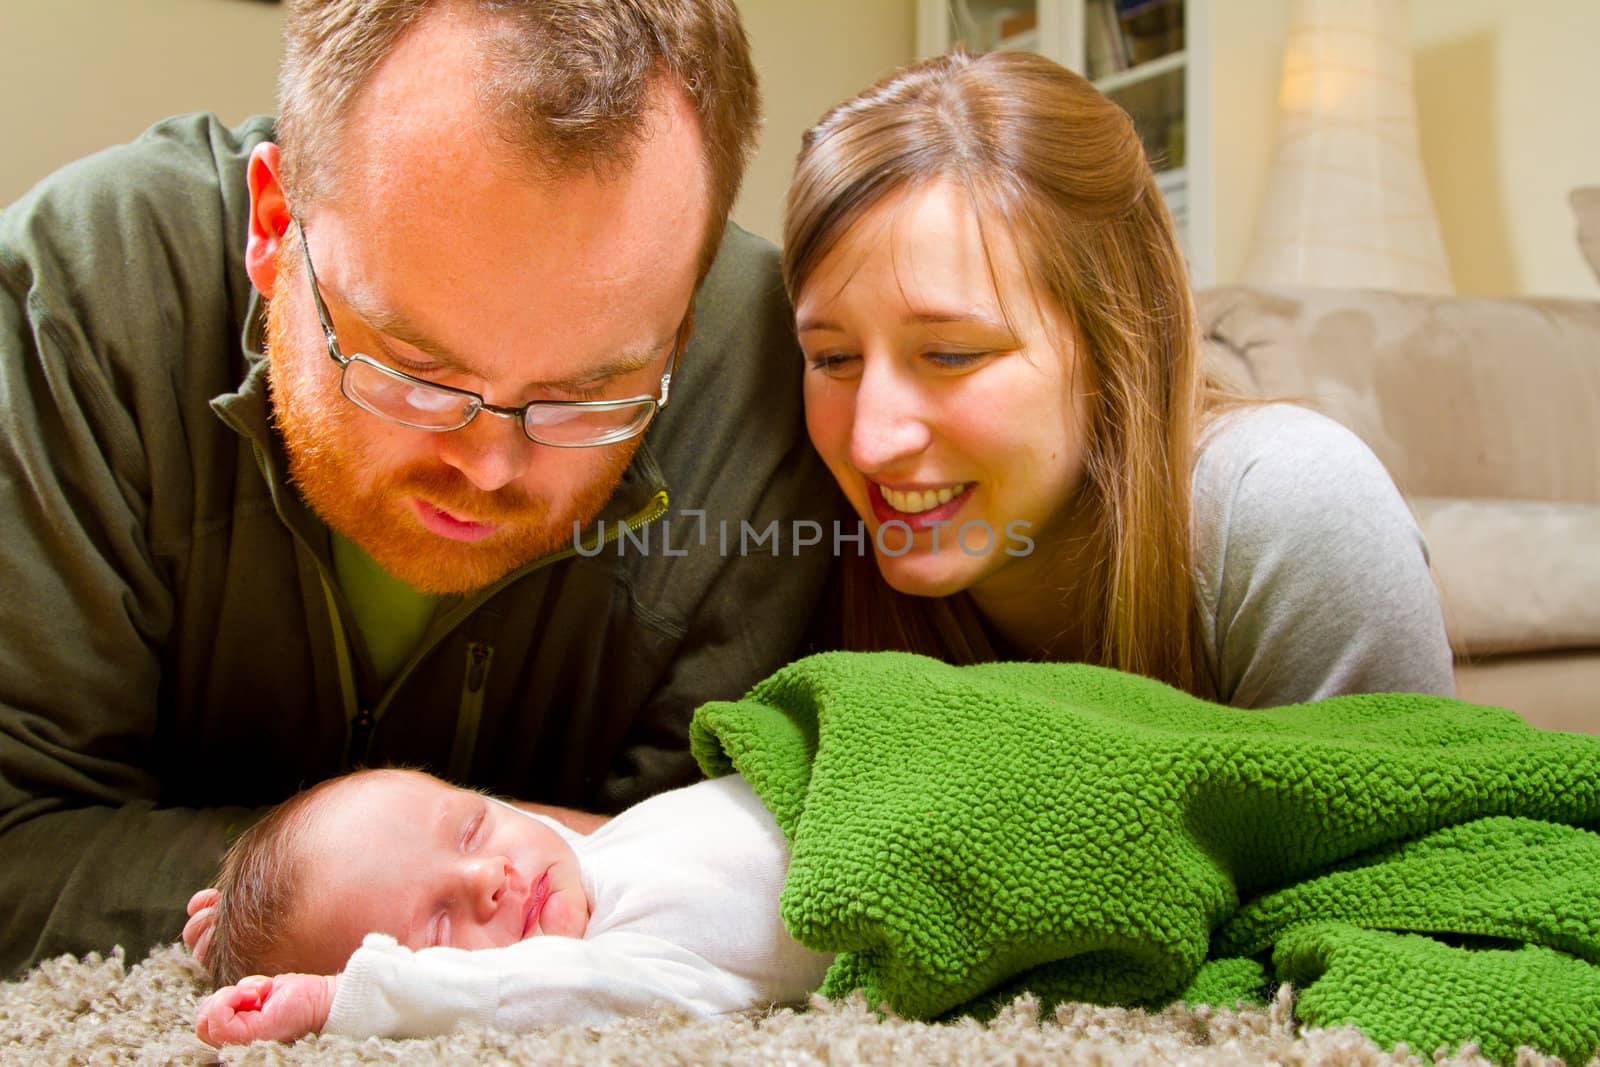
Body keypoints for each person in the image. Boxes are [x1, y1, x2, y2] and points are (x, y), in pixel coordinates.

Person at [0, 0, 845, 976]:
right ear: (275, 228)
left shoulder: (777, 381)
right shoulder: (79, 305)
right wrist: (322, 908)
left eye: (590, 394)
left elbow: (705, 863)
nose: (488, 466)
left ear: (682, 320)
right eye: (414, 371)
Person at [781, 49, 1454, 707]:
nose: (870, 443)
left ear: (1117, 336)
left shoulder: (1298, 506)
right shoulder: (803, 531)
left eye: (952, 355)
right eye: (834, 359)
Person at [193, 767, 831, 1044]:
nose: (488, 877)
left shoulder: (591, 857)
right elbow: (545, 993)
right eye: (440, 925)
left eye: (470, 830)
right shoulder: (625, 959)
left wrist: (252, 911)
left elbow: (523, 825)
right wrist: (337, 1001)